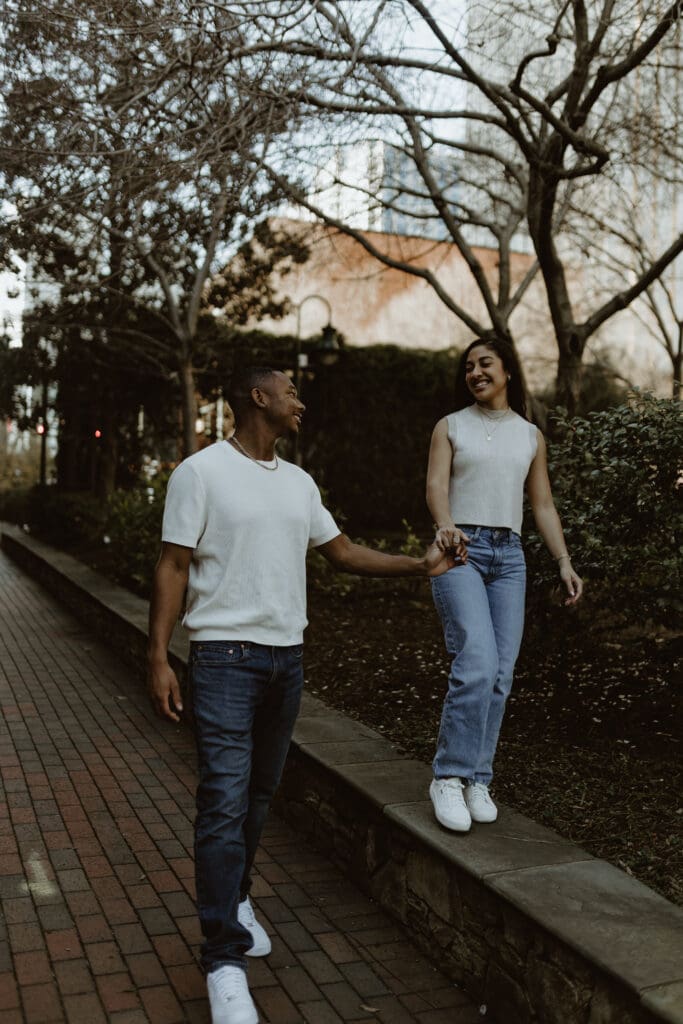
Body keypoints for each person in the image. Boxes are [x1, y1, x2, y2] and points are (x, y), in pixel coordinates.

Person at [147, 366, 454, 1024]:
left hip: (287, 660)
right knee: (223, 800)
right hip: (223, 659)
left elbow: (340, 551)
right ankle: (224, 962)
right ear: (259, 397)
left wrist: (417, 566)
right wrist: (158, 656)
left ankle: (235, 898)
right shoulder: (199, 474)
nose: (301, 401)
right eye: (291, 391)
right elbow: (172, 565)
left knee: (258, 798)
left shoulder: (298, 483)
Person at [425, 336, 583, 834]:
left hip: (510, 558)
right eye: (468, 366)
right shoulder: (450, 427)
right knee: (476, 664)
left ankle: (477, 778)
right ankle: (448, 775)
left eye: (485, 363)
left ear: (507, 371)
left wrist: (563, 562)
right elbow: (435, 487)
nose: (475, 372)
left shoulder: (531, 436)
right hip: (461, 552)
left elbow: (542, 506)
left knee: (501, 674)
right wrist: (446, 526)